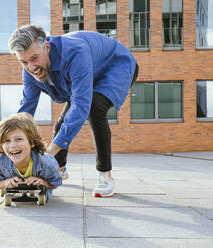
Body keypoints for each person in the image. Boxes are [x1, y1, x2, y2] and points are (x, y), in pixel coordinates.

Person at [8, 24, 139, 197]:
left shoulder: (75, 53)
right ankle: (59, 169)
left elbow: (80, 106)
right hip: (87, 73)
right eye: (24, 62)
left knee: (94, 107)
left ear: (46, 47)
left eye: (34, 58)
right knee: (61, 125)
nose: (31, 67)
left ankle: (105, 175)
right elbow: (26, 111)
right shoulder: (30, 71)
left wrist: (48, 154)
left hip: (116, 65)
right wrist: (9, 146)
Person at [0, 112, 62, 202]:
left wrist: (43, 182)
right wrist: (5, 182)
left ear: (31, 142)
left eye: (18, 139)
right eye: (6, 141)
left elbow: (55, 183)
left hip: (43, 175)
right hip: (7, 179)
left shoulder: (46, 163)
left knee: (46, 192)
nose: (12, 145)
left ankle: (61, 171)